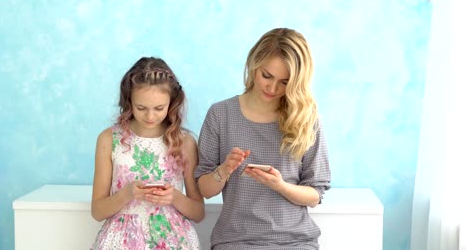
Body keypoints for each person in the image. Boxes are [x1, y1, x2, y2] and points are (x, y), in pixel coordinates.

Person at [194, 28, 331, 250]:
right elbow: (205, 190)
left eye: (285, 82)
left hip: (295, 242)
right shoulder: (221, 114)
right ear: (253, 64)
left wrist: (280, 186)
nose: (272, 87)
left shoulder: (307, 119)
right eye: (266, 76)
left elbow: (314, 195)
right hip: (235, 241)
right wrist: (225, 169)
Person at [91, 57, 204, 250]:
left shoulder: (184, 142)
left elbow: (198, 212)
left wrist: (174, 197)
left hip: (173, 241)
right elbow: (97, 211)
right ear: (129, 101)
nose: (150, 116)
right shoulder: (109, 139)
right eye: (141, 108)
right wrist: (125, 194)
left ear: (172, 102)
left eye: (159, 108)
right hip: (121, 241)